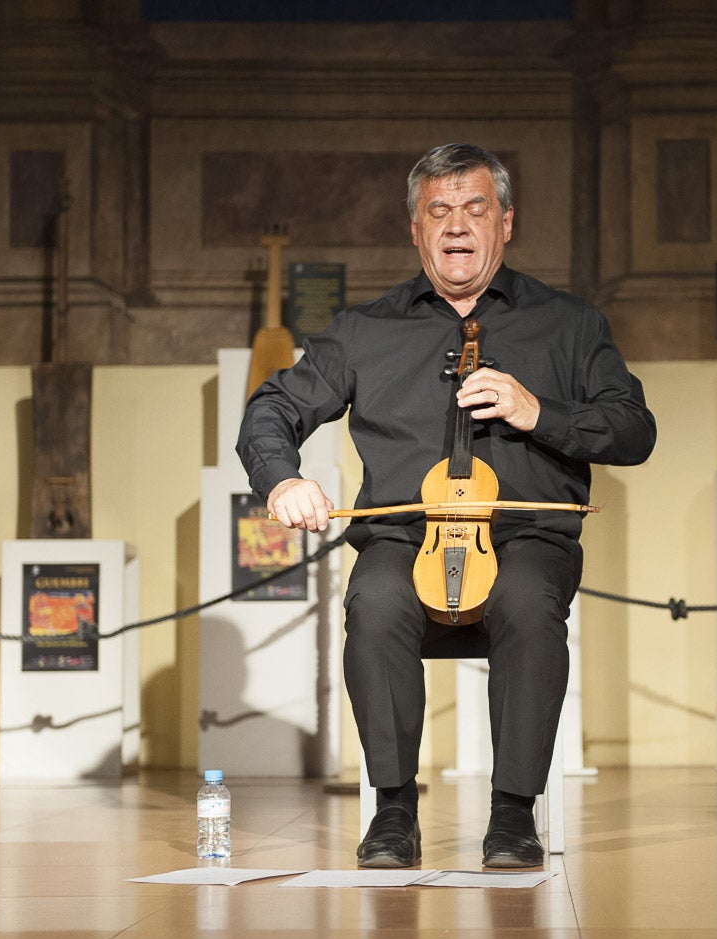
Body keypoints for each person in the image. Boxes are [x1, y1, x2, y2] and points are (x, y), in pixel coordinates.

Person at [237, 143, 656, 869]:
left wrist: (540, 411)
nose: (456, 225)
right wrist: (282, 479)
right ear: (414, 228)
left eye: (474, 208)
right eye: (438, 210)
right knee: (373, 601)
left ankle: (512, 812)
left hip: (526, 533)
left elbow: (632, 429)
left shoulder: (569, 324)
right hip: (403, 535)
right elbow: (273, 407)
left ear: (506, 222)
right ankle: (394, 809)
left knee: (526, 598)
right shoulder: (365, 330)